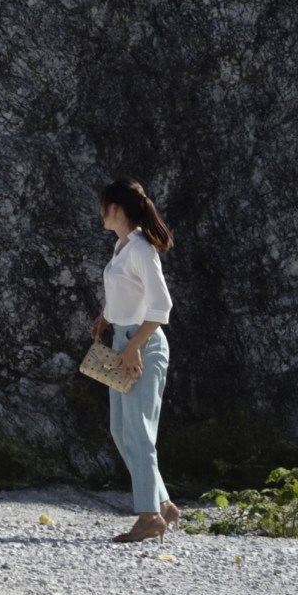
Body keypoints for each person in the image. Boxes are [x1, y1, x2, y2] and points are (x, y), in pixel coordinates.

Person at [89, 177, 179, 542]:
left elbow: (161, 305)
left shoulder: (140, 248)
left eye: (104, 206)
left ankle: (149, 516)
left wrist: (133, 347)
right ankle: (163, 505)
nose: (100, 213)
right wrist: (107, 316)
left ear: (115, 208)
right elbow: (130, 292)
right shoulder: (123, 246)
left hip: (141, 346)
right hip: (124, 341)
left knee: (139, 433)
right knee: (121, 430)